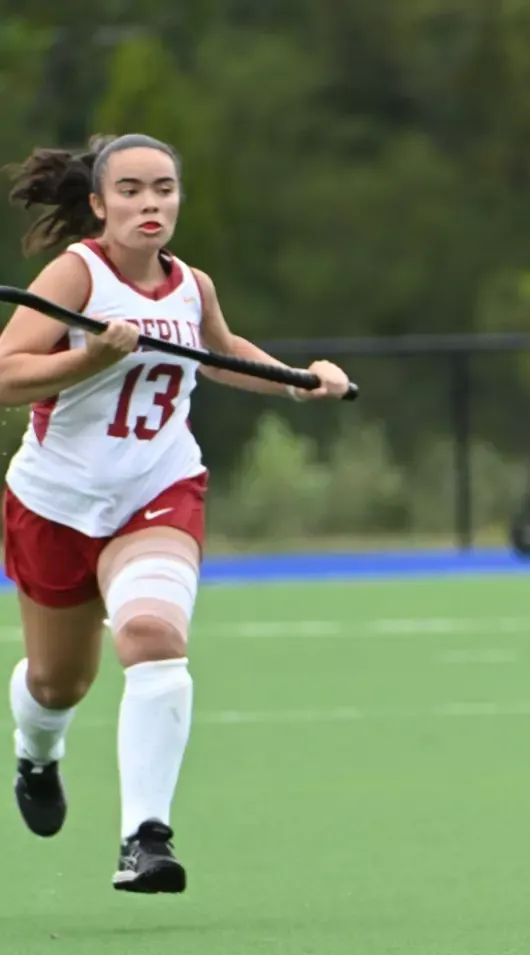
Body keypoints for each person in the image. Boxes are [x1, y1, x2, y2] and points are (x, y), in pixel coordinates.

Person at [0, 133, 352, 890]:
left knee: (154, 635)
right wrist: (90, 357)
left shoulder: (192, 284)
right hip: (55, 503)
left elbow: (220, 351)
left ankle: (145, 838)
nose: (148, 203)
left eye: (162, 188)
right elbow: (6, 373)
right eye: (129, 190)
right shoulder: (75, 275)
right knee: (59, 684)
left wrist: (298, 380)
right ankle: (36, 752)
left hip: (158, 491)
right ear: (98, 204)